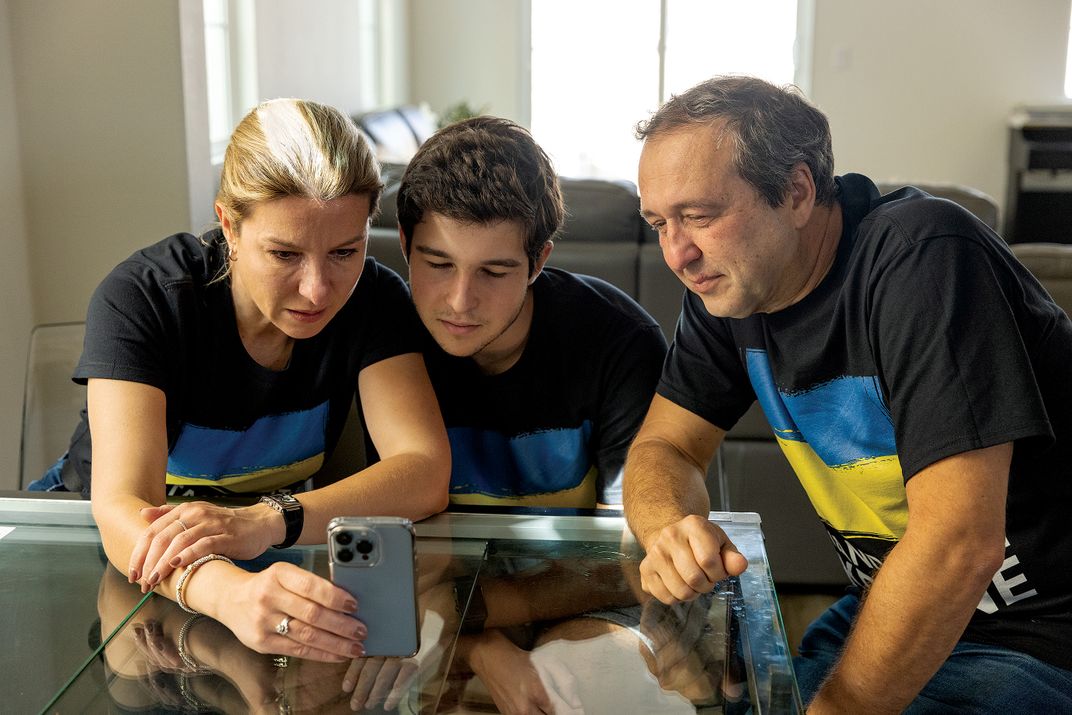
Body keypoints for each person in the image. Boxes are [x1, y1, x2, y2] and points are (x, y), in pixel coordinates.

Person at [624, 76, 1072, 712]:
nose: (678, 253)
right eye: (658, 223)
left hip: (1041, 639)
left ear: (799, 192)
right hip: (890, 609)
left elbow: (960, 546)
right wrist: (669, 527)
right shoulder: (730, 290)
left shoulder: (923, 257)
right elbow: (665, 444)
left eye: (698, 216)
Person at [32, 98, 451, 662]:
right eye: (284, 254)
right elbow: (121, 506)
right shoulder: (144, 297)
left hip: (262, 553)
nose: (318, 291)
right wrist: (229, 594)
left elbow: (424, 471)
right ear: (229, 223)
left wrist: (267, 520)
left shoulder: (374, 298)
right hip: (106, 562)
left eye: (344, 252)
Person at [395, 116, 667, 509]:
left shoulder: (621, 343)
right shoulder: (386, 333)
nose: (460, 300)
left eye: (493, 271)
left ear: (538, 262)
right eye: (439, 265)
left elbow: (629, 530)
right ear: (405, 244)